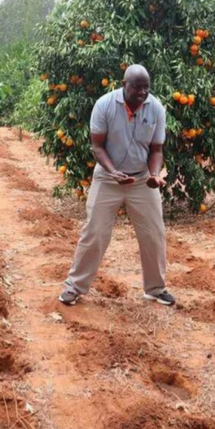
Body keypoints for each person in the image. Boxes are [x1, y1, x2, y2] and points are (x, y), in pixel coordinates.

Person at [57, 64, 175, 308]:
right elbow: (97, 147)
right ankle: (74, 287)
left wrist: (154, 174)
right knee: (95, 232)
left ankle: (155, 289)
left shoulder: (156, 108)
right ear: (124, 85)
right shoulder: (104, 105)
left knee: (154, 233)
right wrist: (113, 172)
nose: (142, 92)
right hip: (107, 178)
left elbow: (156, 150)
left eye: (146, 87)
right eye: (137, 87)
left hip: (142, 180)